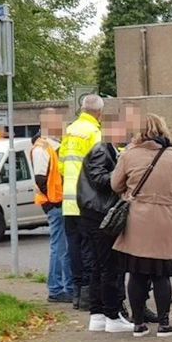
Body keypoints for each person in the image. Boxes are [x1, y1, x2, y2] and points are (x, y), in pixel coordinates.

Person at [111, 114, 172, 337]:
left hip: (137, 220)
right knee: (161, 275)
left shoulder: (129, 156)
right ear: (163, 130)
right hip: (165, 221)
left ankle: (138, 324)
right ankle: (164, 324)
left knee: (136, 274)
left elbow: (115, 184)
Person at [77, 111, 133, 333]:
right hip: (100, 214)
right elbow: (101, 179)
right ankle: (112, 315)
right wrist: (121, 173)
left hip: (92, 213)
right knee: (110, 266)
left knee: (99, 266)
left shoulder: (104, 149)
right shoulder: (102, 150)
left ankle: (98, 313)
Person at [59, 95, 104, 311]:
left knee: (73, 247)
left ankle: (76, 292)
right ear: (99, 112)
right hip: (86, 198)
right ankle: (87, 294)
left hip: (68, 199)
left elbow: (61, 165)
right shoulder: (94, 132)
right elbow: (99, 165)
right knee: (89, 248)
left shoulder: (70, 130)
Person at [31, 109, 72, 303]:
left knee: (63, 246)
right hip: (56, 203)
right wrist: (52, 200)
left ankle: (64, 286)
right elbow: (40, 178)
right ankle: (56, 288)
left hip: (60, 201)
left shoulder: (53, 145)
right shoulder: (43, 147)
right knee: (60, 247)